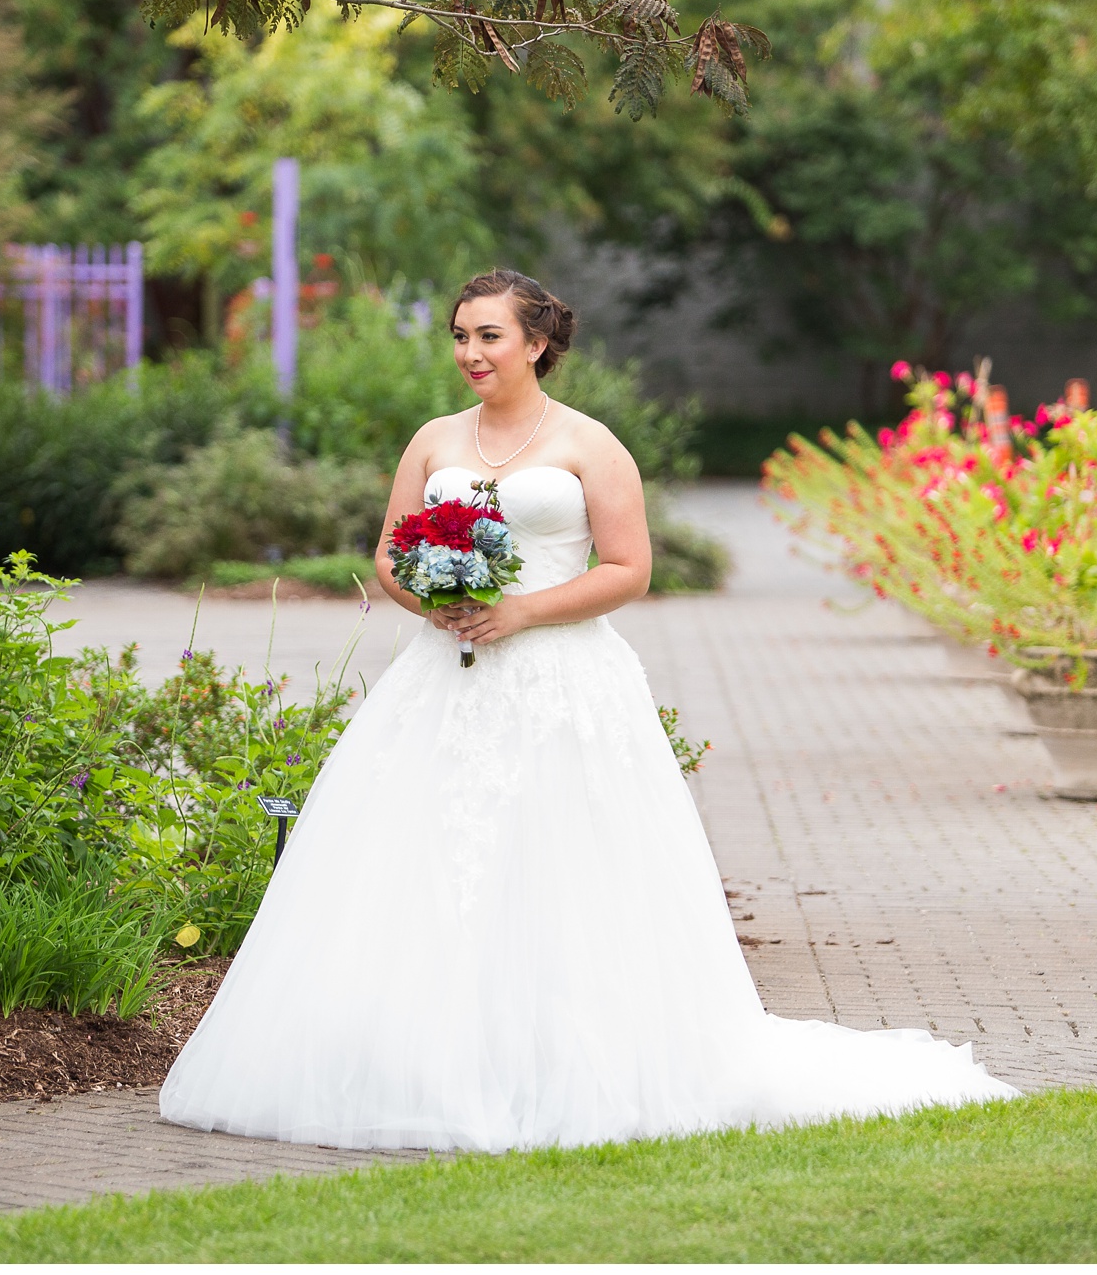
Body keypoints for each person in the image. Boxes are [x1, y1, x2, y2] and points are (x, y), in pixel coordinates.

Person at [158, 268, 1019, 1151]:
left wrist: (521, 609)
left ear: (537, 343)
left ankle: (561, 1062)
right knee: (428, 859)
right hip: (442, 679)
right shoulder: (433, 440)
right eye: (460, 336)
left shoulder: (589, 444)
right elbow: (389, 549)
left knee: (559, 866)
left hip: (561, 682)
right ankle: (420, 1062)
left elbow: (628, 569)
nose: (469, 353)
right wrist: (432, 598)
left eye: (488, 336)